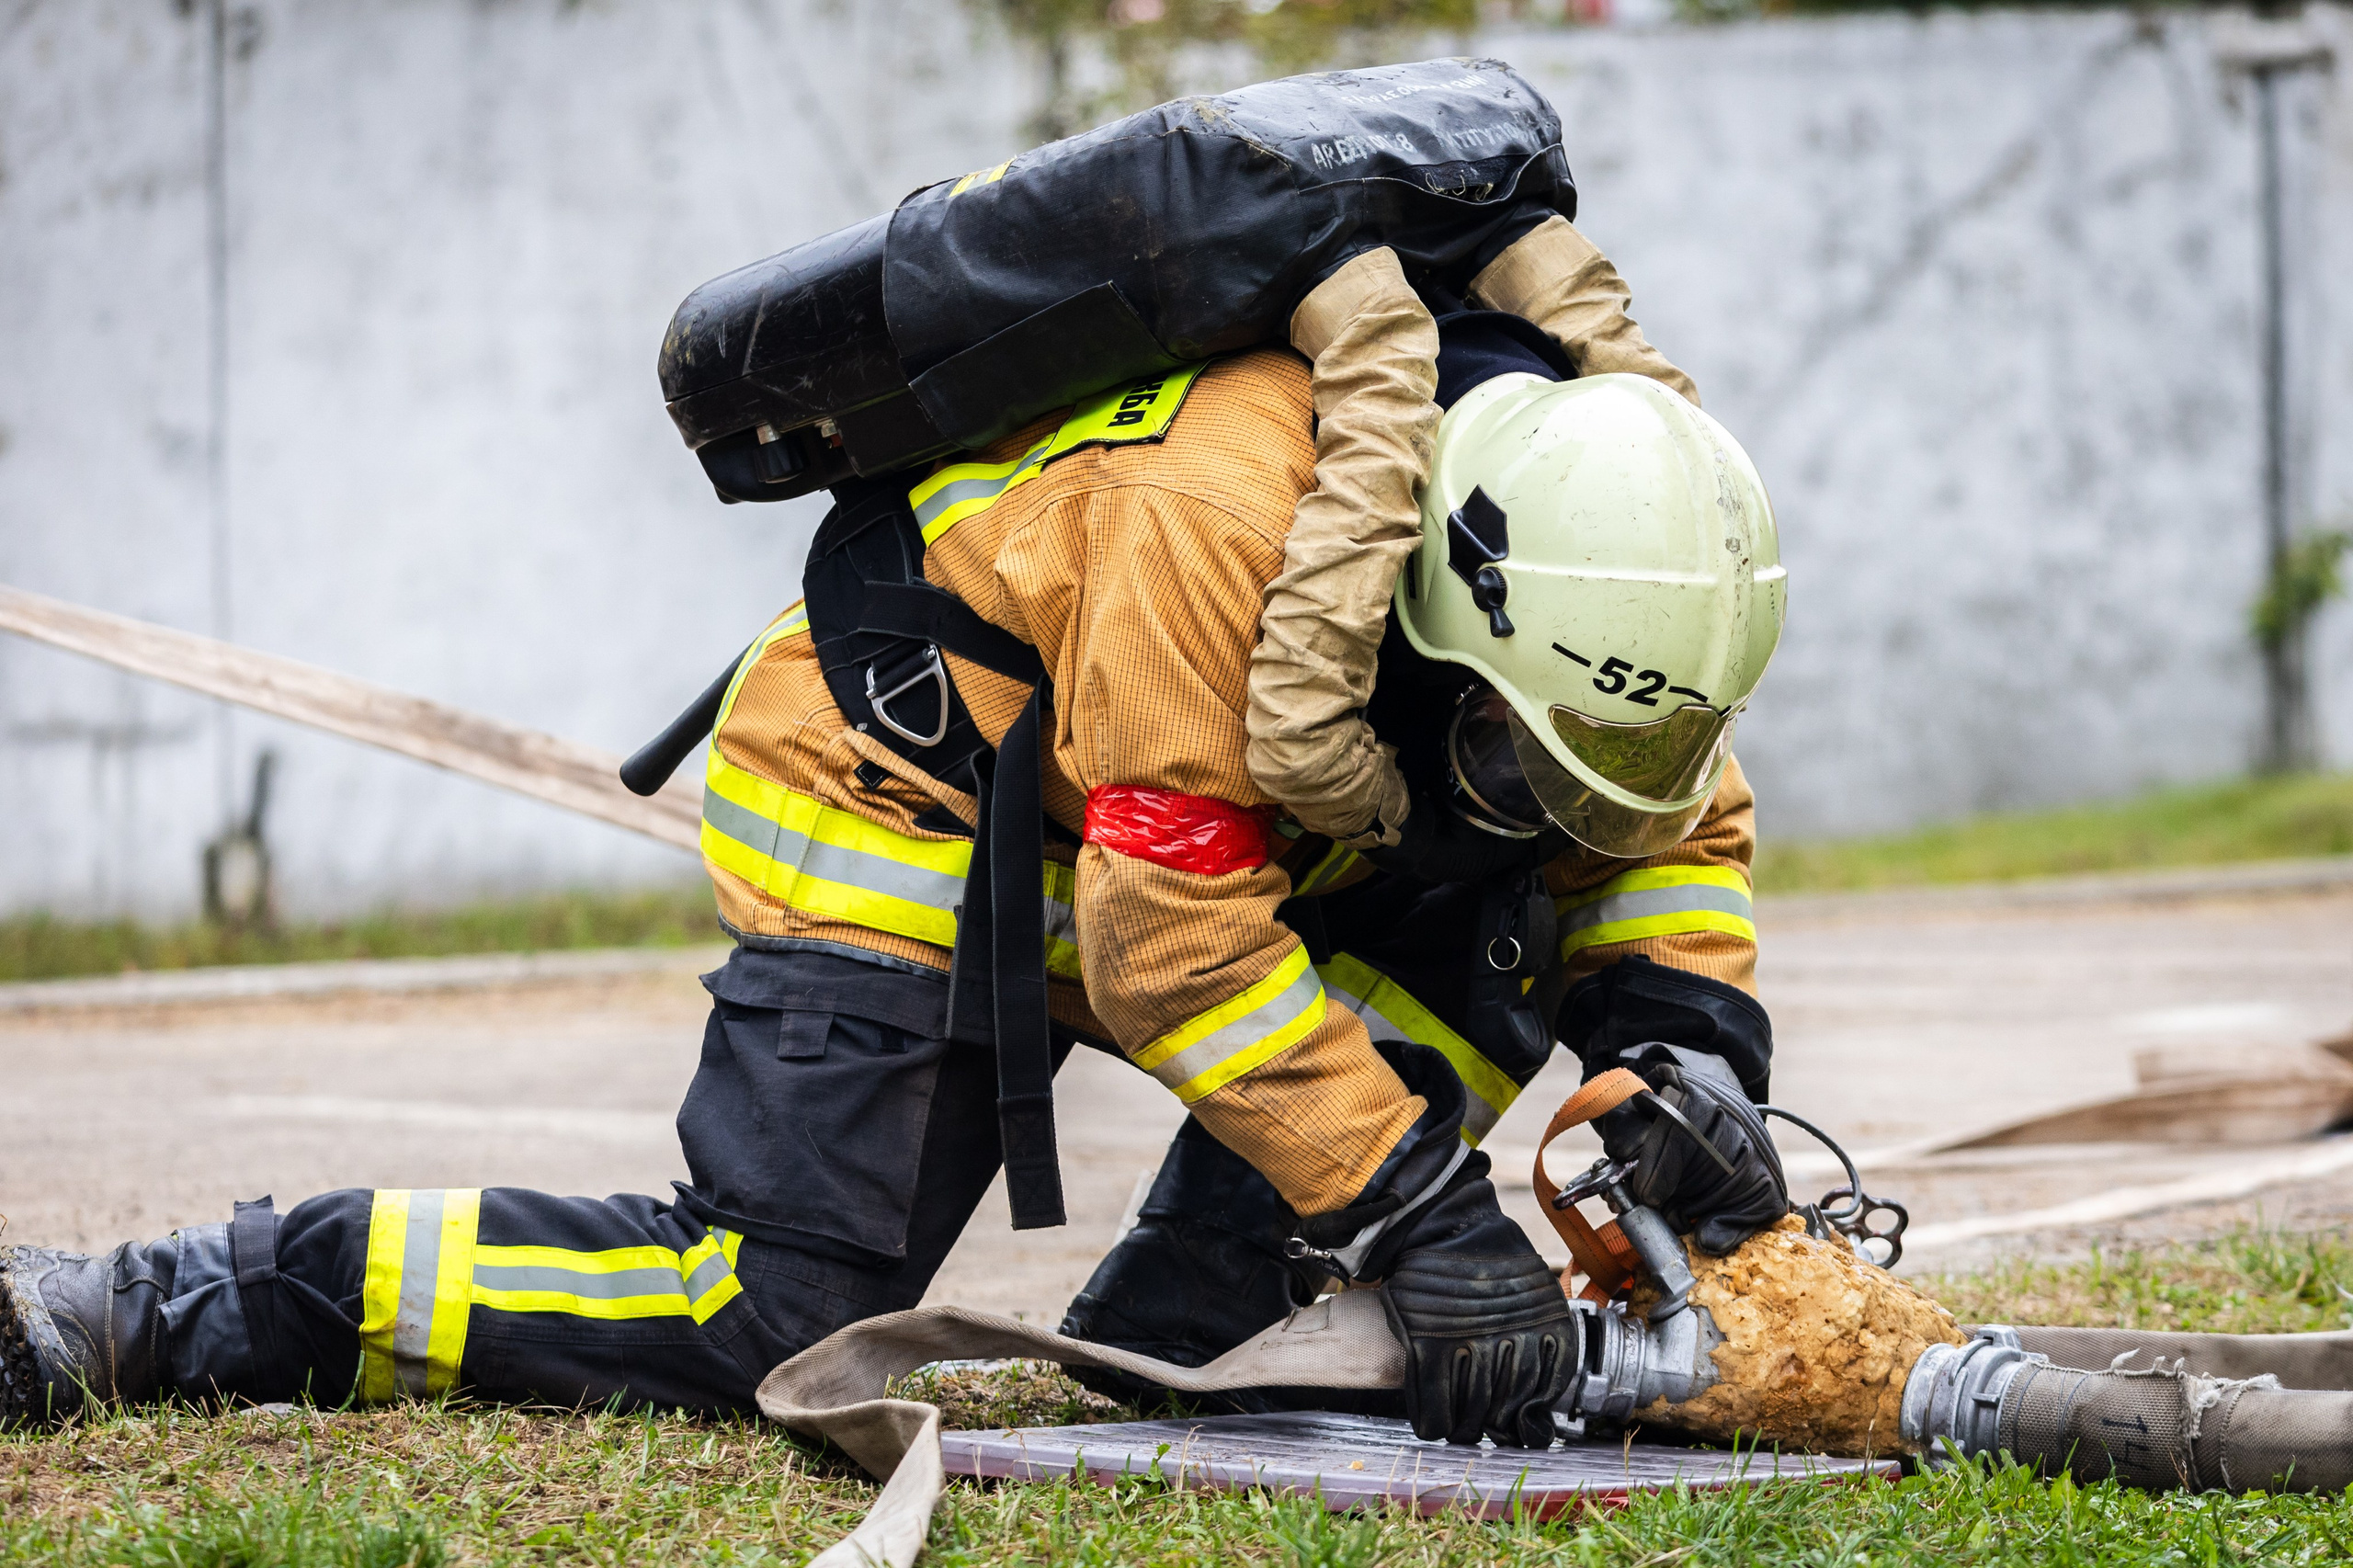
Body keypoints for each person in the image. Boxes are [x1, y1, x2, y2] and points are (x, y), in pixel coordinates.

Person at [2, 234, 1787, 1449]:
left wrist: (1682, 1048)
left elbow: (1660, 809)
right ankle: (180, 1300)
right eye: (1498, 738)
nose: (1534, 800)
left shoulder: (1606, 524)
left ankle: (1199, 1329)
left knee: (1494, 931)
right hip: (911, 793)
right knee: (767, 1307)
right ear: (1422, 597)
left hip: (1191, 822)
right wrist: (1415, 1210)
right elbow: (1171, 940)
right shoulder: (1224, 523)